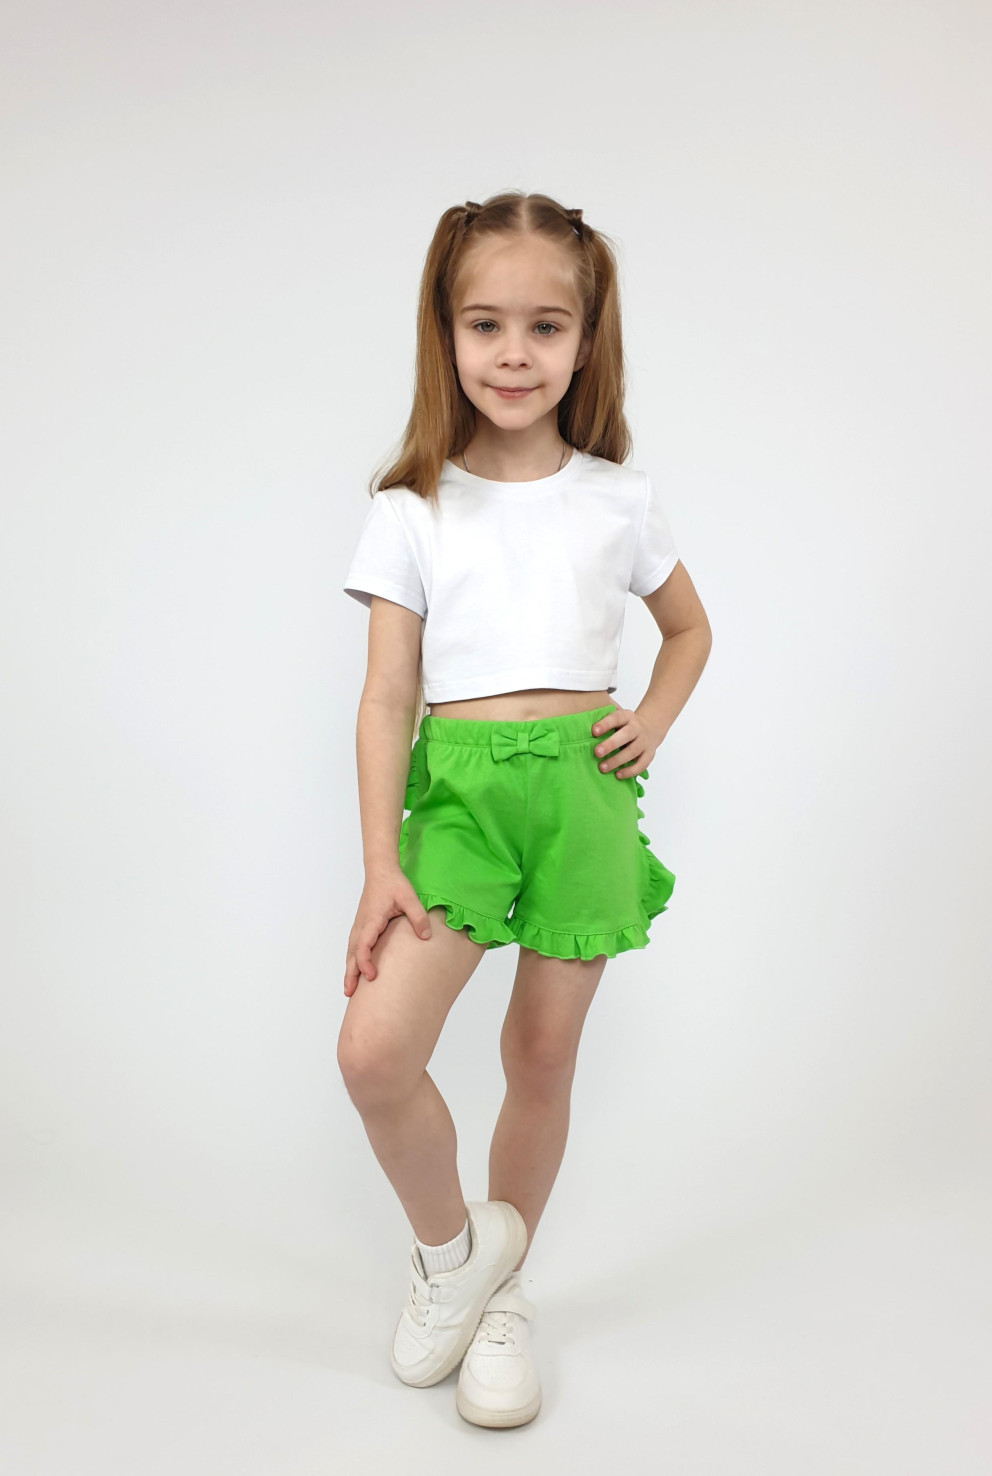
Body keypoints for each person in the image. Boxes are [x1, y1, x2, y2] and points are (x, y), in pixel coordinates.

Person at [337, 190, 712, 1428]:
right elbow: (386, 697)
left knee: (538, 1057)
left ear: (585, 339)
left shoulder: (616, 499)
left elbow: (688, 631)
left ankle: (504, 1300)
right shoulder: (410, 508)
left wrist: (648, 719)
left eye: (544, 326)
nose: (512, 353)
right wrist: (379, 863)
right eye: (483, 323)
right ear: (443, 332)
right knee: (374, 1051)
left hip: (580, 796)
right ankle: (454, 1259)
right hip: (459, 799)